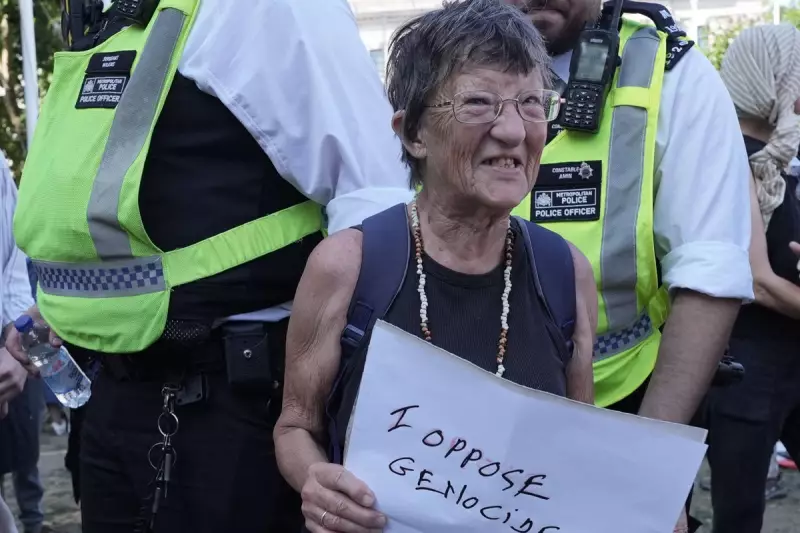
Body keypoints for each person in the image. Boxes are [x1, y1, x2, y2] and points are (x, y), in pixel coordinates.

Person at [5, 0, 413, 531]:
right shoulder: (109, 15)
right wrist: (55, 309)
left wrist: (326, 405)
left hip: (229, 408)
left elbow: (374, 196)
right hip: (112, 398)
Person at [274, 1, 598, 530]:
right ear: (412, 133)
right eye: (478, 103)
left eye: (532, 104)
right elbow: (294, 426)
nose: (514, 132)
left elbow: (577, 448)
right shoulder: (348, 266)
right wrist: (316, 483)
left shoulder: (566, 272)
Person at [502, 0, 754, 530]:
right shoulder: (437, 70)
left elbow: (709, 272)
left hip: (624, 409)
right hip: (469, 415)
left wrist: (648, 466)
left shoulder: (670, 69)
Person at [704, 23, 800, 533]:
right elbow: (757, 279)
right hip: (746, 376)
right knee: (740, 516)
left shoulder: (783, 156)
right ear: (770, 78)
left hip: (788, 366)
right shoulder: (727, 157)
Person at [0, 153, 47, 533]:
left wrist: (14, 335)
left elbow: (15, 263)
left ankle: (35, 521)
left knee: (23, 443)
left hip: (8, 333)